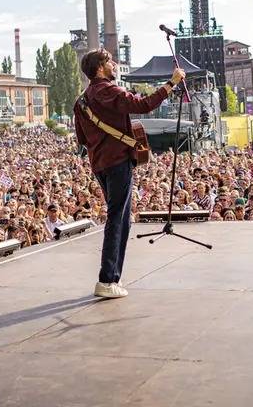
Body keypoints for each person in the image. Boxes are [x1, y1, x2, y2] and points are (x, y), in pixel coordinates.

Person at [73, 47, 184, 299]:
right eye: (110, 61)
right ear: (100, 68)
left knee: (123, 218)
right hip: (118, 162)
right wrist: (171, 84)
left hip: (100, 163)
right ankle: (107, 278)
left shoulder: (81, 101)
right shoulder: (110, 91)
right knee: (117, 219)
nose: (114, 64)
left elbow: (81, 138)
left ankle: (113, 278)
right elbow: (143, 105)